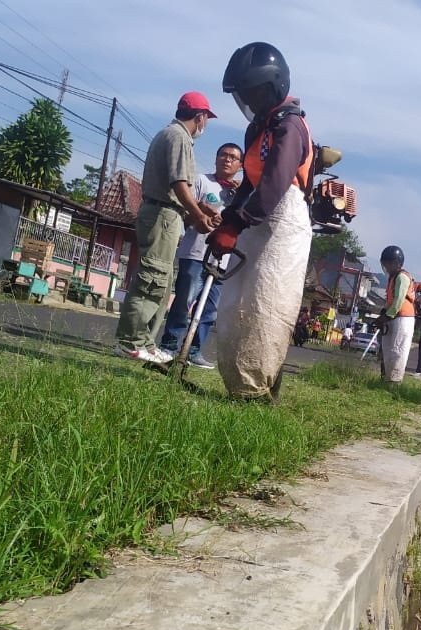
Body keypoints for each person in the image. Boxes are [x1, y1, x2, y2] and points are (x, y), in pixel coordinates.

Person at [206, 42, 314, 401]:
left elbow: (274, 184)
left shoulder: (291, 127)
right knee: (238, 302)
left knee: (268, 304)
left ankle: (258, 390)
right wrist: (228, 220)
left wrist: (238, 224)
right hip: (257, 214)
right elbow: (250, 184)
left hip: (284, 218)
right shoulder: (257, 129)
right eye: (244, 96)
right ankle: (238, 382)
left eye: (254, 93)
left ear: (274, 86)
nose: (250, 102)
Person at [113, 92, 220, 364]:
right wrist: (197, 214)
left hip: (166, 212)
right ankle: (130, 341)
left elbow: (176, 187)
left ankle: (145, 341)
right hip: (162, 213)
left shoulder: (170, 135)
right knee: (152, 278)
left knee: (161, 282)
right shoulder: (179, 137)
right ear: (199, 117)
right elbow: (178, 184)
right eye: (205, 118)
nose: (205, 124)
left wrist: (199, 208)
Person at [157, 143, 243, 368]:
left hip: (222, 260)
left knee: (210, 310)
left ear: (240, 165)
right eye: (223, 154)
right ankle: (169, 346)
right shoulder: (201, 181)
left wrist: (241, 195)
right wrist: (201, 216)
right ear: (216, 158)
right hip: (195, 253)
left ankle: (193, 351)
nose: (227, 159)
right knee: (184, 301)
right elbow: (186, 216)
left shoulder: (240, 194)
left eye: (233, 157)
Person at [375, 245, 419, 383]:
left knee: (397, 351)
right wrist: (383, 313)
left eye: (387, 264)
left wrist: (386, 316)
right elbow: (390, 300)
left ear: (396, 263)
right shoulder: (392, 278)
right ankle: (385, 379)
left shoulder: (402, 277)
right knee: (387, 350)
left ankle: (394, 382)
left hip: (402, 318)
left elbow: (399, 300)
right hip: (393, 317)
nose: (386, 268)